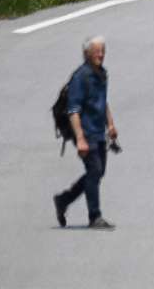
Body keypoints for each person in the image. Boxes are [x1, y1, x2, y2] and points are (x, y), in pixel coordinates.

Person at [53, 35, 118, 230]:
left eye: (103, 51)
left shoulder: (101, 74)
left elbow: (102, 100)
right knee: (95, 171)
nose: (101, 54)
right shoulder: (80, 77)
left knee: (97, 173)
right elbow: (73, 110)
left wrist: (111, 124)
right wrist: (80, 138)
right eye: (97, 51)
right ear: (87, 54)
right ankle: (94, 216)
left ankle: (63, 200)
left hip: (98, 132)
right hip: (85, 132)